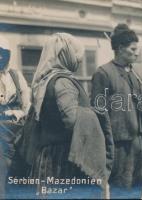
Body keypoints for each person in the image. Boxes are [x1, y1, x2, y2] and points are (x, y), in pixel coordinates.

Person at [14, 33, 113, 199]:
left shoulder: (45, 80)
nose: (80, 59)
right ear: (64, 55)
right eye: (77, 54)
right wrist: (96, 114)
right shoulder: (63, 82)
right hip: (63, 161)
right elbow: (72, 120)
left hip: (47, 156)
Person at [90, 24, 142, 199]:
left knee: (138, 188)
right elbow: (99, 112)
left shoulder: (134, 73)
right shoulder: (103, 73)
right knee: (121, 189)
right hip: (119, 144)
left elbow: (139, 105)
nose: (137, 53)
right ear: (120, 48)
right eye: (133, 49)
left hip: (139, 141)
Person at [0, 35, 31, 199]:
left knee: (20, 174)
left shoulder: (16, 76)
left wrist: (18, 113)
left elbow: (27, 104)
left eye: (3, 52)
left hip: (17, 134)